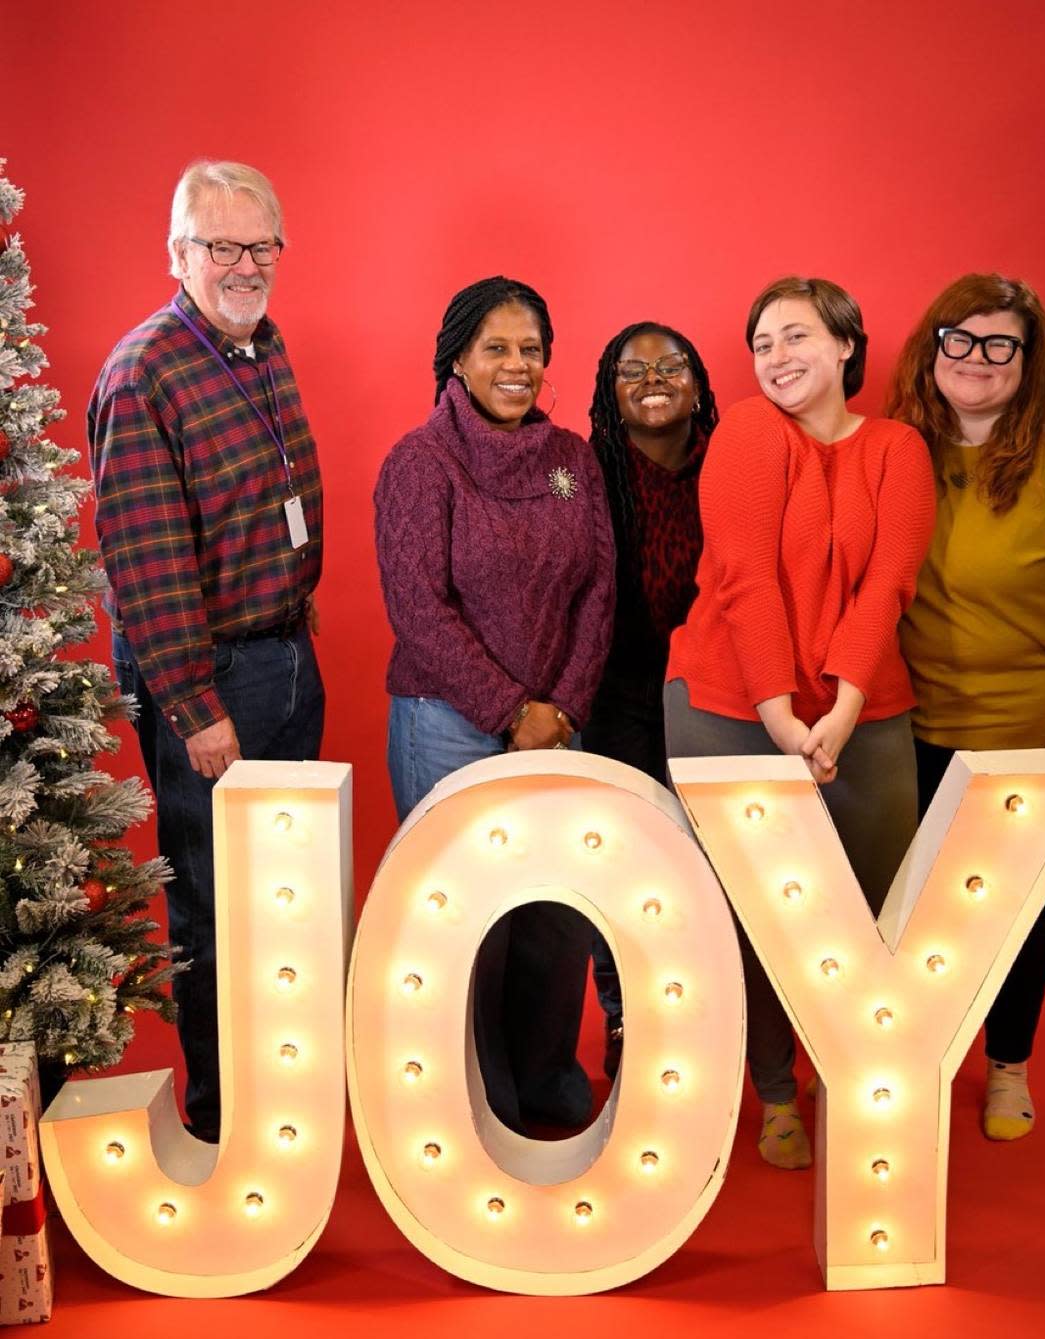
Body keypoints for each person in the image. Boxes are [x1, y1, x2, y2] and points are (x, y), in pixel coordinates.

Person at [665, 276, 936, 1168]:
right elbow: (741, 576)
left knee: (867, 912)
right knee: (753, 912)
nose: (776, 358)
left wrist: (846, 705)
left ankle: (853, 1073)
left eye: (796, 337)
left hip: (865, 708)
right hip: (732, 706)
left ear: (848, 345)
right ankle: (776, 1088)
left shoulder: (899, 448)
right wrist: (780, 715)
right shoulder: (747, 431)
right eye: (762, 344)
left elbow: (887, 581)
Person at [89, 161, 324, 1143]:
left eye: (259, 244)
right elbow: (145, 562)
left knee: (283, 899)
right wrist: (195, 708)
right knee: (220, 911)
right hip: (212, 680)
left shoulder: (259, 348)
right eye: (220, 245)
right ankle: (230, 1123)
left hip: (283, 656)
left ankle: (285, 1102)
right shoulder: (144, 372)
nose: (242, 264)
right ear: (178, 254)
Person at [887, 273, 1045, 1141]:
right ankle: (917, 1057)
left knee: (1014, 909)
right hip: (911, 723)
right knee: (912, 905)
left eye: (1001, 345)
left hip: (1026, 733)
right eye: (962, 339)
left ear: (1030, 361)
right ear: (934, 345)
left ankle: (1008, 1067)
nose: (978, 360)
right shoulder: (902, 447)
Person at [374, 276, 614, 1131]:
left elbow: (598, 591)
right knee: (472, 927)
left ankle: (547, 1086)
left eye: (531, 350)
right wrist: (514, 710)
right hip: (449, 725)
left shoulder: (572, 459)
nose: (518, 366)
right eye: (497, 349)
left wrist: (563, 707)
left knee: (555, 914)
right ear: (458, 360)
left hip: (561, 724)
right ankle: (477, 1105)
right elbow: (418, 610)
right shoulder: (419, 462)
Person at [581, 322, 719, 1074]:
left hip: (712, 689)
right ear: (610, 390)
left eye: (672, 365)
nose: (654, 378)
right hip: (614, 688)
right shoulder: (583, 469)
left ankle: (701, 1011)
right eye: (632, 369)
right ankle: (628, 1015)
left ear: (699, 384)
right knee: (623, 859)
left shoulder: (733, 463)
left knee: (707, 858)